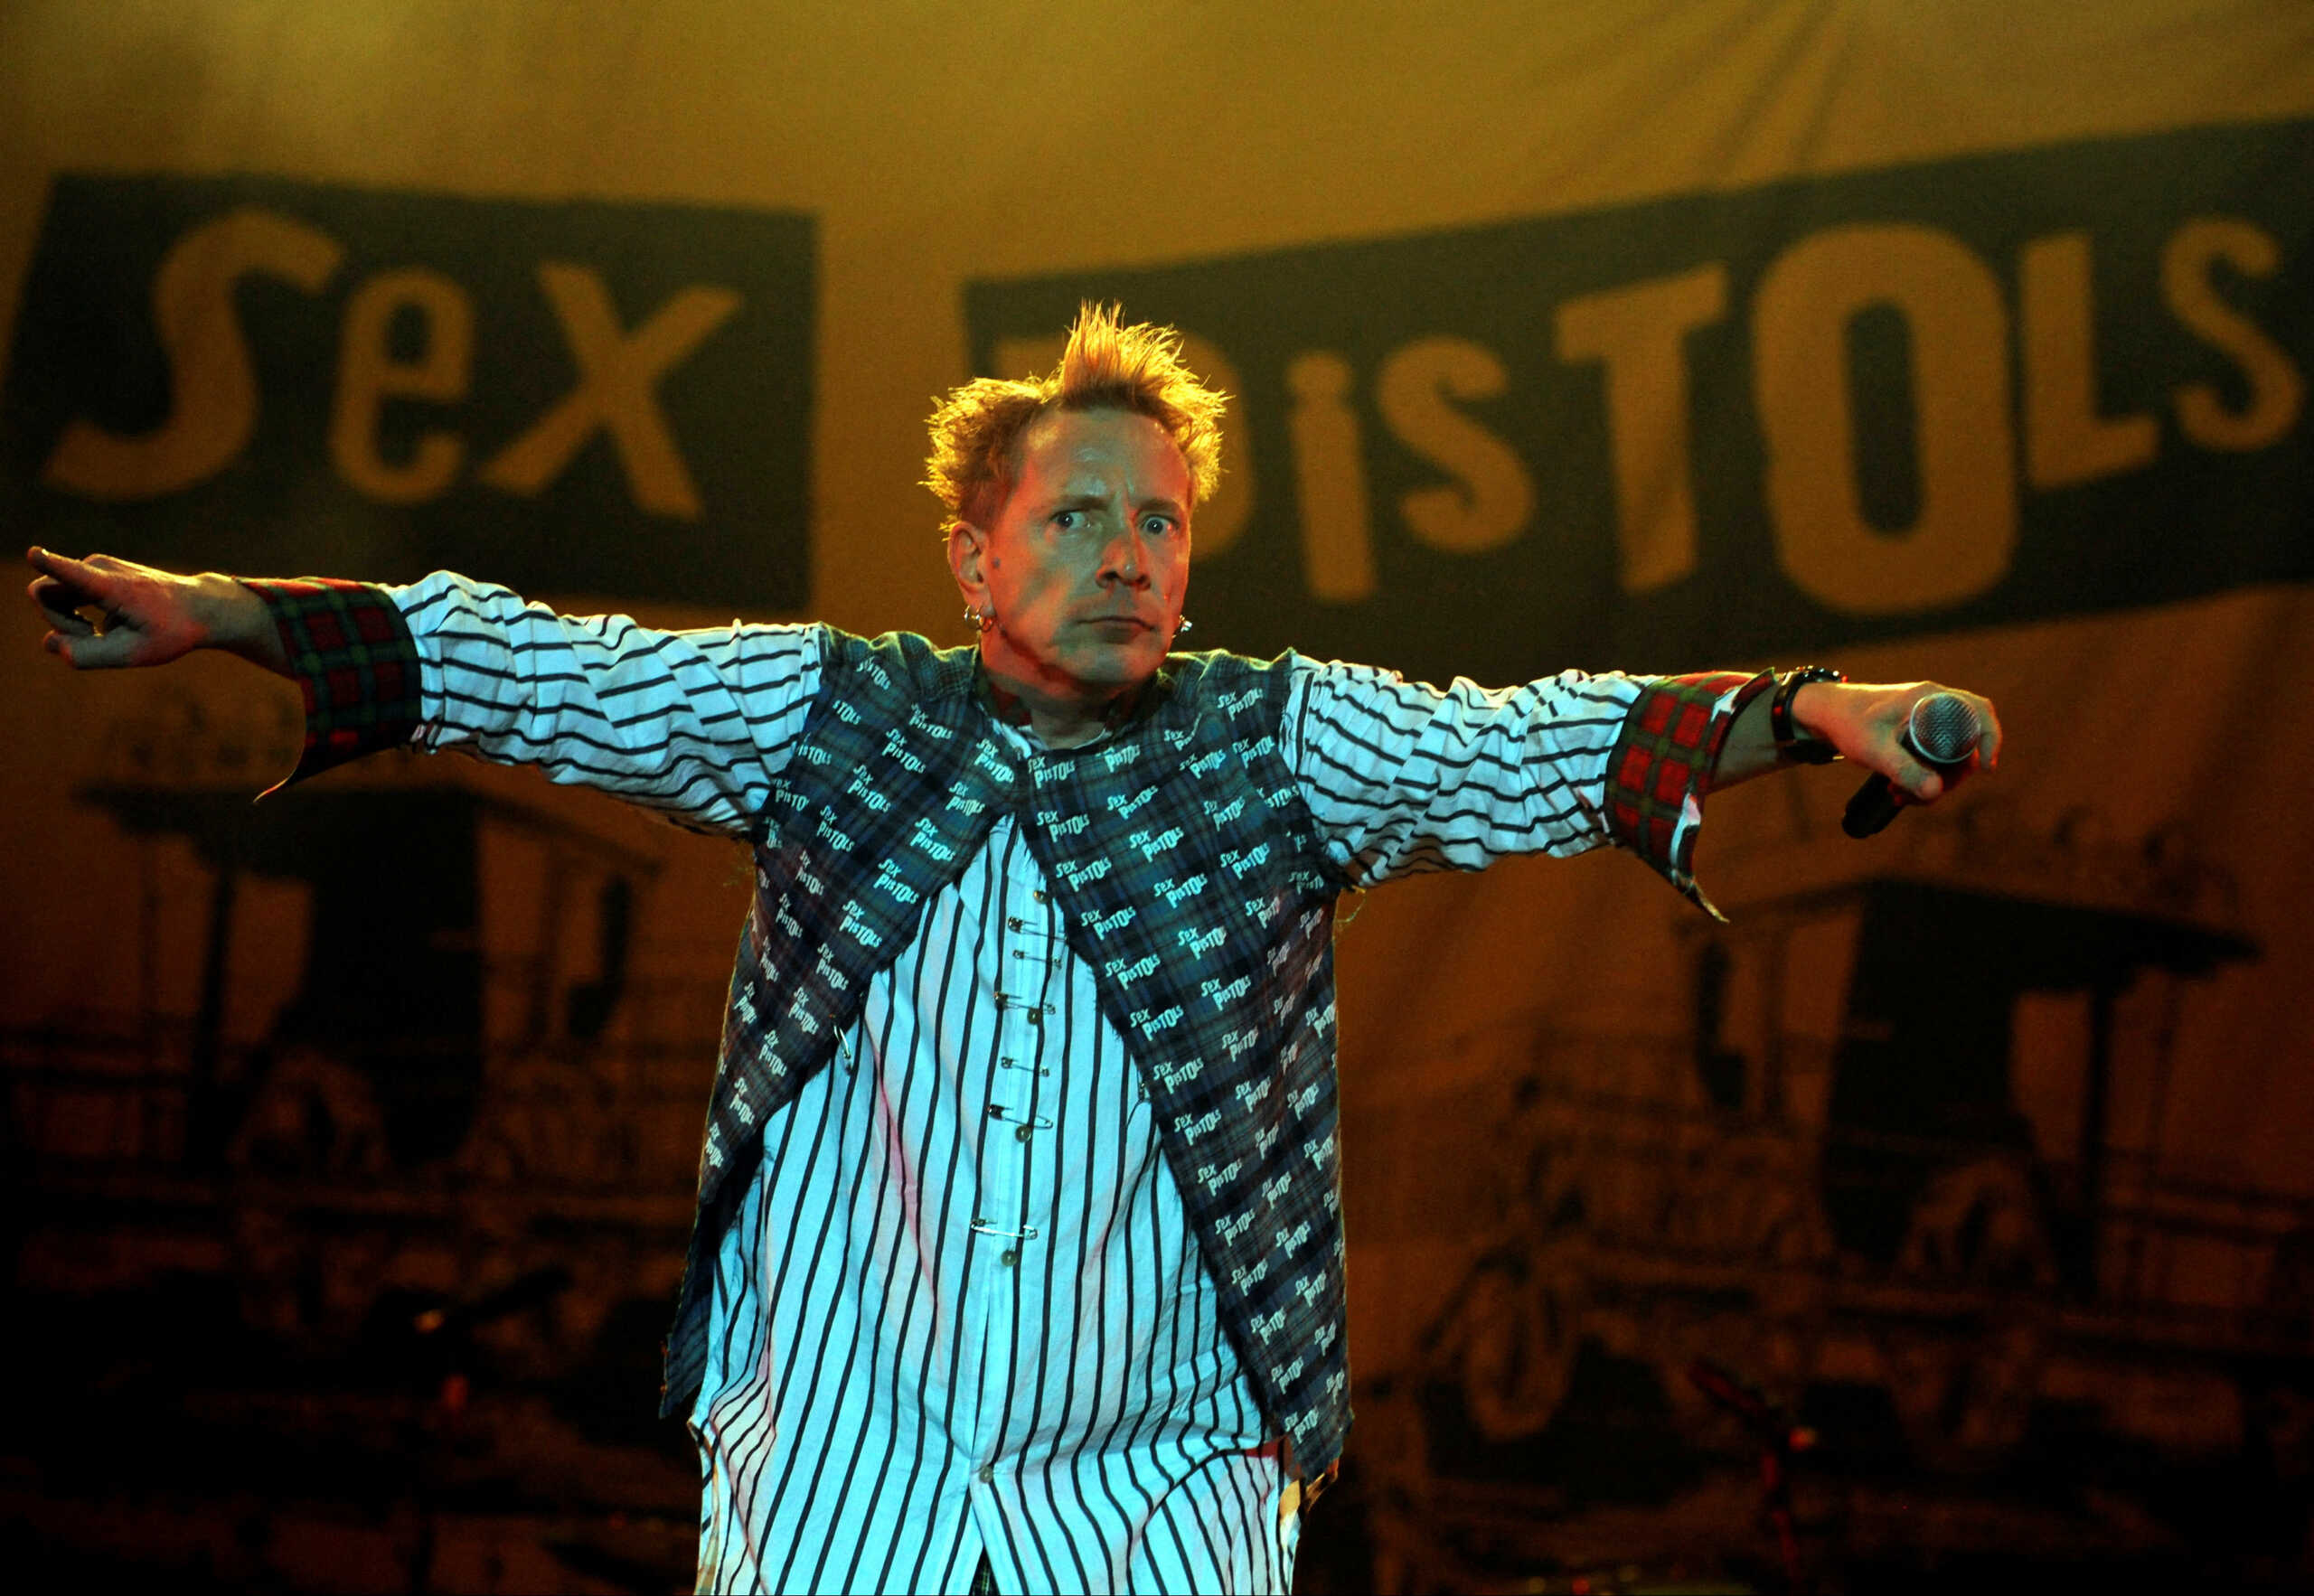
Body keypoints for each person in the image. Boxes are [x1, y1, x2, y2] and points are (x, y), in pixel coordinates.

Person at [24, 303, 2000, 1595]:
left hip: (1152, 1471)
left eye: (1160, 520)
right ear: (974, 555)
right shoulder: (829, 714)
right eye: (1077, 519)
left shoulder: (1277, 739)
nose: (1127, 554)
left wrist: (1811, 709)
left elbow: (1530, 740)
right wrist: (228, 610)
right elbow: (539, 666)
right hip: (843, 1442)